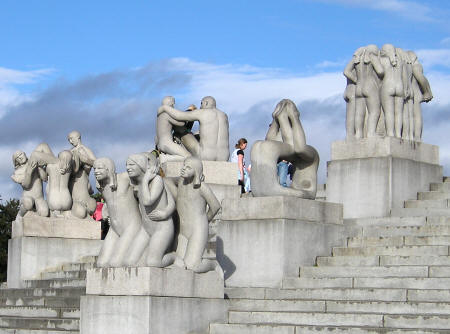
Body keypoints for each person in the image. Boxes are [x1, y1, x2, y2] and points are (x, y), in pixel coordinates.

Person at [158, 96, 230, 161]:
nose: (200, 107)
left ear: (206, 103)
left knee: (181, 129)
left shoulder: (203, 112)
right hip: (224, 157)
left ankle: (175, 150)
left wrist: (164, 107)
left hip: (205, 156)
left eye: (201, 103)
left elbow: (179, 115)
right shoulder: (224, 115)